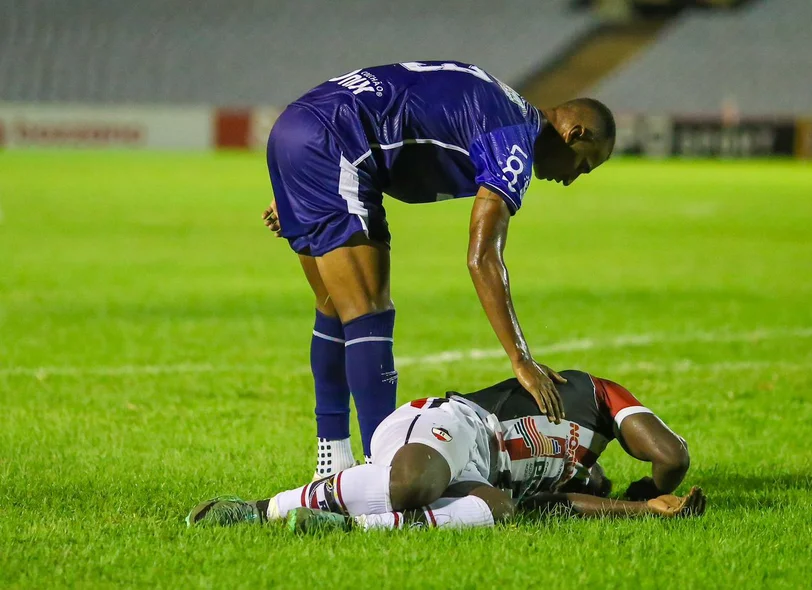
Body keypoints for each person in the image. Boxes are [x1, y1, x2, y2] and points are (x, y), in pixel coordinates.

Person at [259, 61, 616, 476]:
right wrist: (520, 358)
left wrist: (302, 180)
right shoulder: (516, 142)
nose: (572, 179)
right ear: (576, 134)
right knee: (368, 312)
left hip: (300, 126)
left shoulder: (503, 99)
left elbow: (404, 93)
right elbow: (483, 256)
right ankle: (384, 468)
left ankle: (332, 459)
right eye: (584, 165)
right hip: (335, 145)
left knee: (334, 307)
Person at [186, 370, 705, 532]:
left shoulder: (561, 479)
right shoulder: (591, 392)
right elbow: (671, 456)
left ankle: (345, 525)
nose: (594, 482)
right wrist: (655, 484)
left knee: (499, 512)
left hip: (477, 470)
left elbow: (549, 507)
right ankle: (262, 510)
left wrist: (642, 508)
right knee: (413, 486)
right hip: (450, 422)